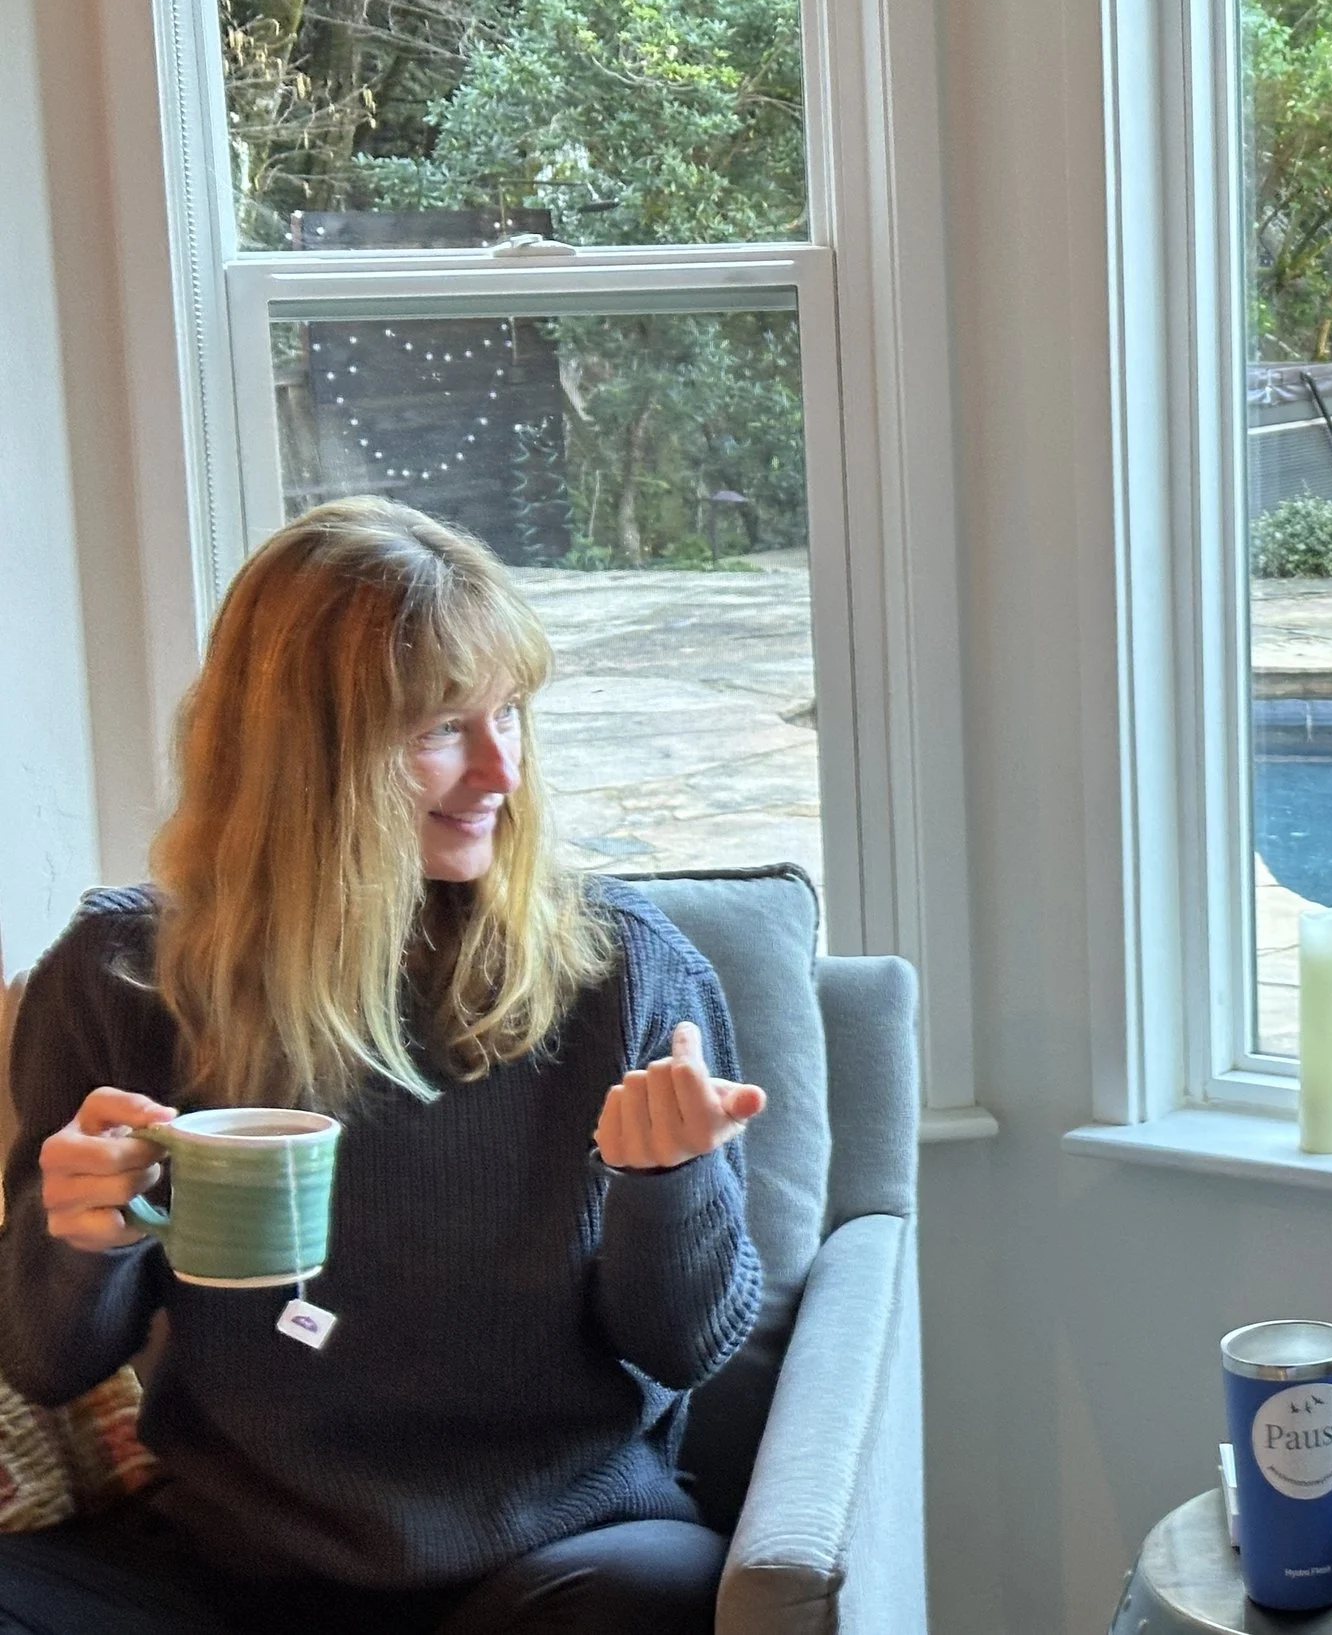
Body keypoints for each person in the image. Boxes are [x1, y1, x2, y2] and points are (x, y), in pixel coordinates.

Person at [0, 499, 769, 1635]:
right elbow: (44, 1361)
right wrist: (84, 1244)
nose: (501, 769)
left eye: (510, 713)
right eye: (441, 729)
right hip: (224, 1564)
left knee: (650, 1599)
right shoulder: (123, 975)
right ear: (295, 755)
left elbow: (688, 1347)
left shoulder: (620, 969)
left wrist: (669, 1187)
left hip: (555, 1548)